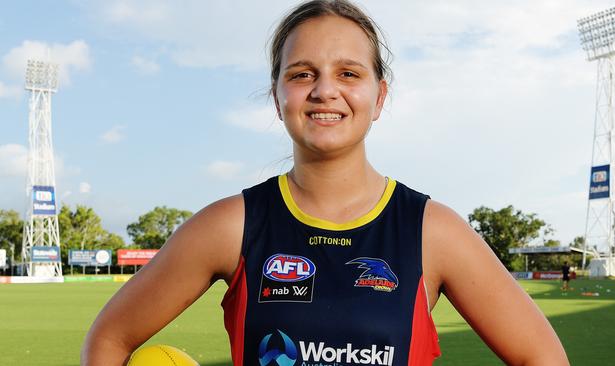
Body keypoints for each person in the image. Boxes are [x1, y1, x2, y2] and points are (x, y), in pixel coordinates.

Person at [81, 1, 569, 365]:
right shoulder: (232, 225)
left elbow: (543, 357)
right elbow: (109, 338)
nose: (324, 90)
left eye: (349, 72)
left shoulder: (430, 231)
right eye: (302, 73)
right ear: (278, 98)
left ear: (379, 96)